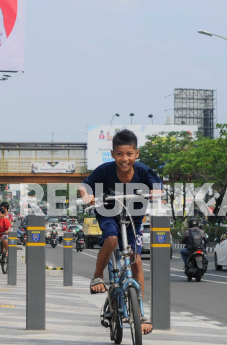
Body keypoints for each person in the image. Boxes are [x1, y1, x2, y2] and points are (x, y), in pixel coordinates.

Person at [79, 129, 162, 336]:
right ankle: (98, 276)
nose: (124, 159)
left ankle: (140, 314)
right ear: (113, 153)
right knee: (112, 239)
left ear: (137, 154)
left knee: (136, 261)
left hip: (133, 218)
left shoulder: (143, 171)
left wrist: (156, 191)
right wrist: (87, 195)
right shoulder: (105, 170)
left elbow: (157, 185)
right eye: (119, 154)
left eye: (129, 154)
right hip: (108, 214)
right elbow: (84, 185)